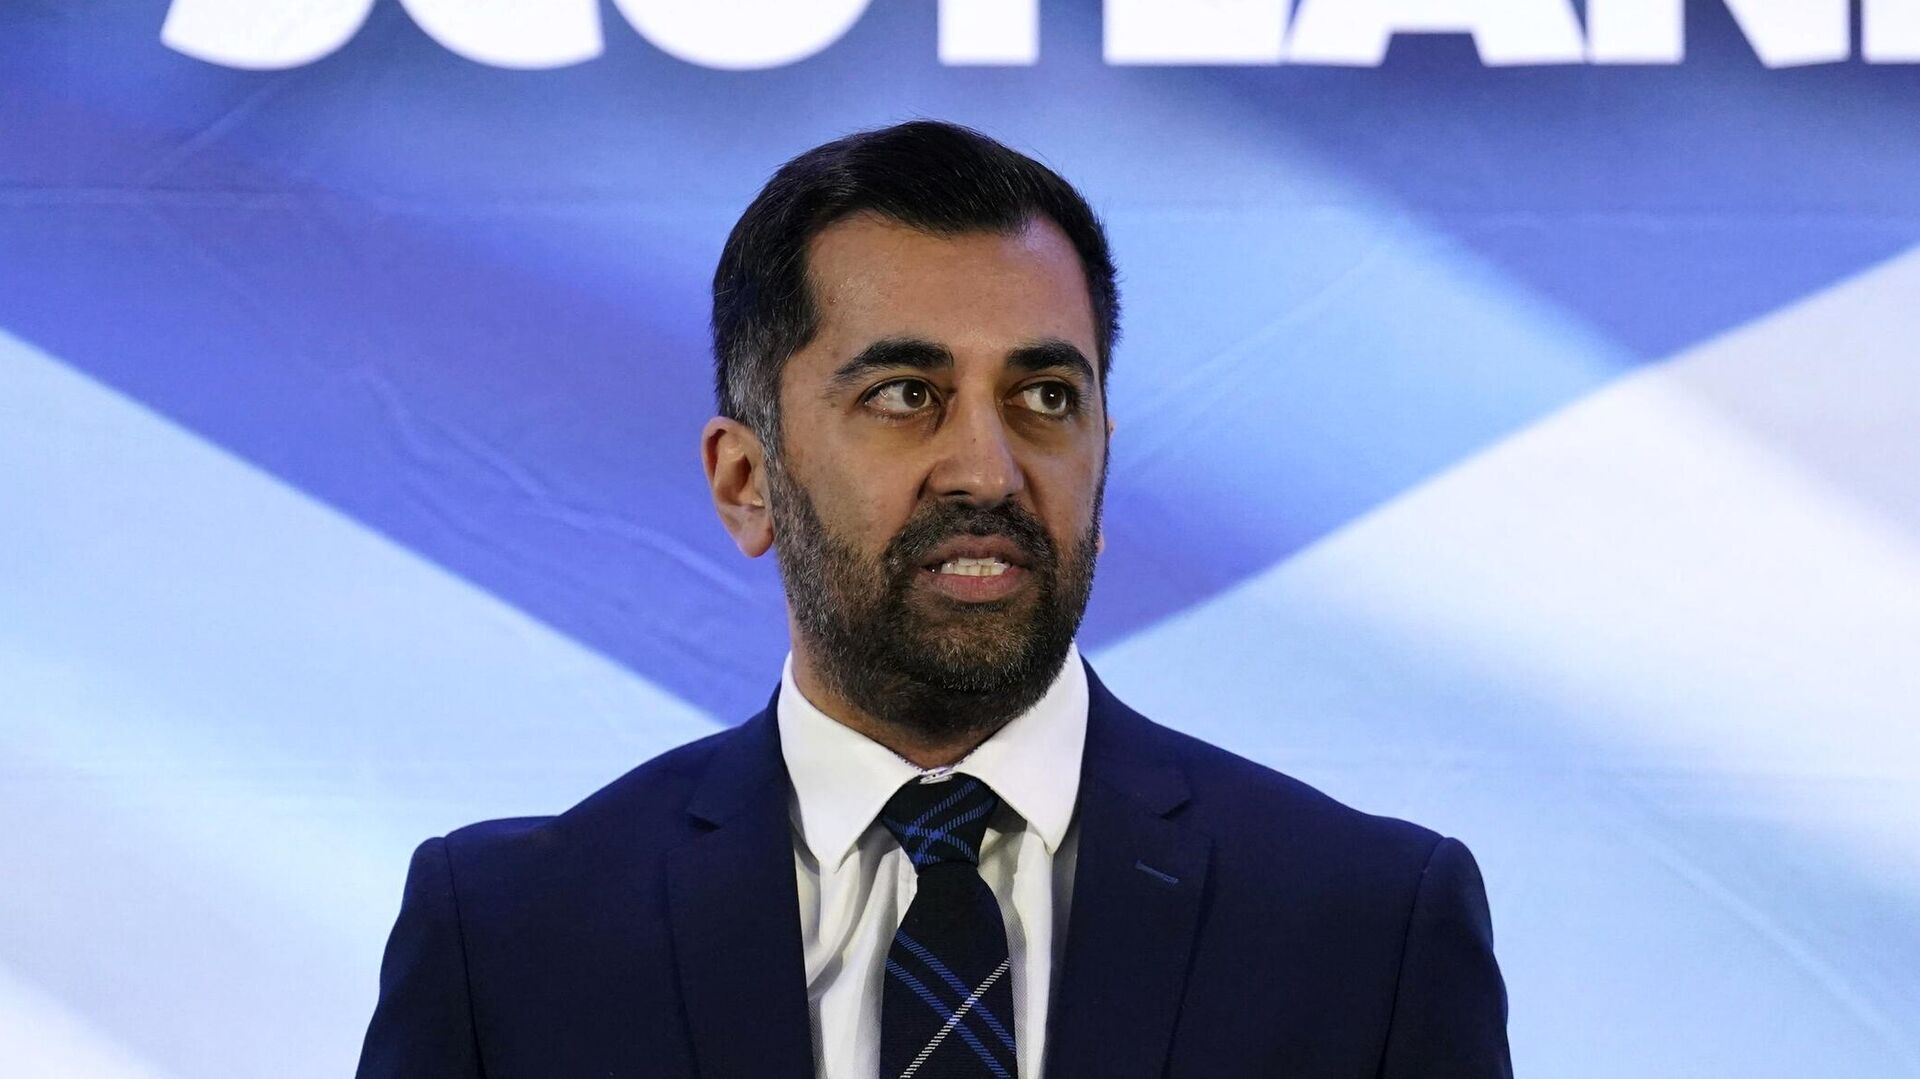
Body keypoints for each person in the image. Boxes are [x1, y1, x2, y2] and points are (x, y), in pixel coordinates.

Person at [355, 120, 1511, 1078]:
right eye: (907, 393)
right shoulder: (507, 938)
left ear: (1103, 461)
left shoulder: (1371, 929)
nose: (988, 471)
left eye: (1045, 397)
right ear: (745, 481)